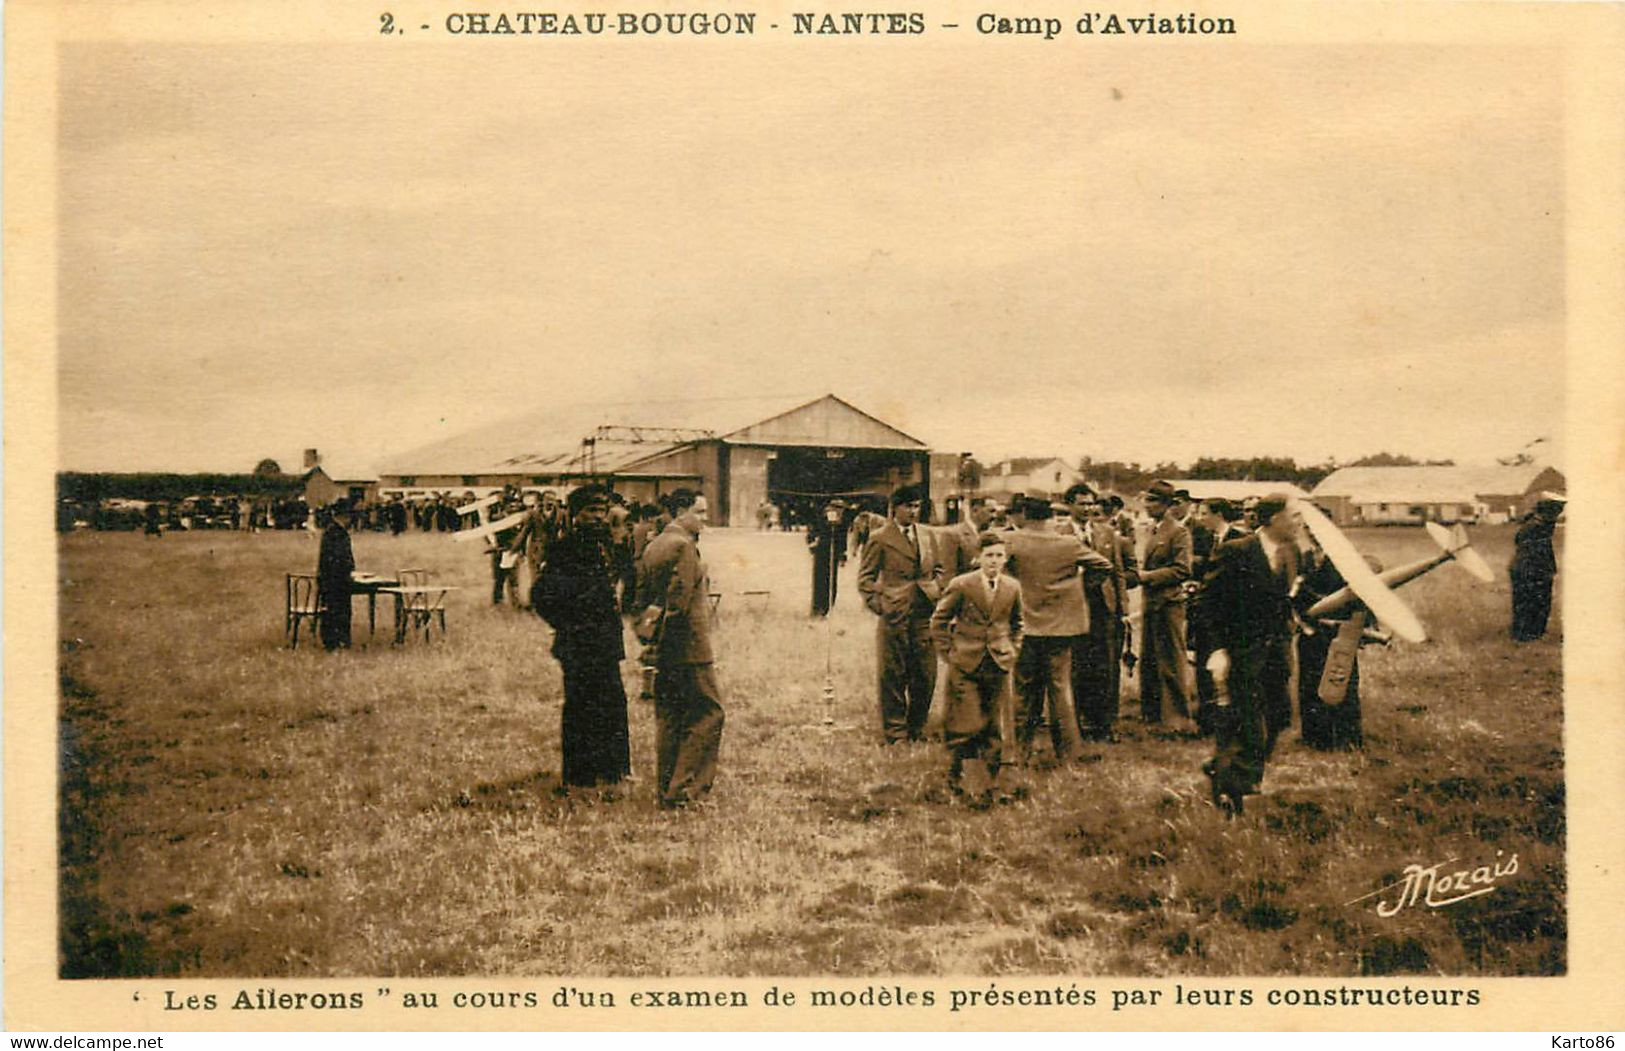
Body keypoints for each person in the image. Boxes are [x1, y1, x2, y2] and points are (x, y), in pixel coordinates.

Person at [1195, 493, 1301, 814]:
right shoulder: (1236, 551)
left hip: (1275, 654)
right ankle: (1234, 793)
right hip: (1241, 654)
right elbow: (1208, 603)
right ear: (1273, 519)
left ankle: (1223, 766)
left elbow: (1285, 599)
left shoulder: (1291, 553)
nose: (1300, 522)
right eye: (1294, 516)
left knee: (1279, 716)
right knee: (1246, 723)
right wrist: (1217, 651)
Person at [533, 484, 632, 790]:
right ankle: (580, 775)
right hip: (579, 644)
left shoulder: (605, 546)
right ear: (575, 515)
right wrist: (569, 625)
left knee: (613, 703)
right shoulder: (564, 549)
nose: (599, 518)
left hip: (604, 643)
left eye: (602, 511)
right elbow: (541, 595)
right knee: (580, 707)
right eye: (591, 512)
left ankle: (614, 770)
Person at [1003, 496, 1112, 764]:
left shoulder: (1012, 541)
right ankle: (1069, 753)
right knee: (1061, 690)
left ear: (1026, 514)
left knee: (1023, 691)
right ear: (1049, 515)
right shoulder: (1068, 543)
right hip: (1061, 627)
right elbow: (1103, 566)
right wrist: (1074, 588)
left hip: (1025, 625)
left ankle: (1018, 752)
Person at [635, 489, 725, 808]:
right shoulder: (684, 546)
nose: (704, 519)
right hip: (689, 646)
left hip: (663, 647)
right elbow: (679, 601)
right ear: (681, 512)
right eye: (699, 512)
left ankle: (666, 787)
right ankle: (687, 789)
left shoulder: (653, 545)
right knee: (709, 713)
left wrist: (651, 642)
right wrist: (670, 641)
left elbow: (641, 600)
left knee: (670, 716)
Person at [931, 532, 1023, 805]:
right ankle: (957, 776)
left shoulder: (1012, 587)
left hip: (998, 662)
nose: (994, 562)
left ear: (1005, 559)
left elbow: (1018, 624)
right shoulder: (962, 585)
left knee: (996, 724)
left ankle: (993, 784)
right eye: (989, 556)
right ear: (978, 558)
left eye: (999, 556)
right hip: (966, 662)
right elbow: (939, 621)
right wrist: (950, 653)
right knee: (967, 722)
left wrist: (1012, 649)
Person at [857, 484, 943, 743]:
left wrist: (936, 588)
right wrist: (882, 606)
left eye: (917, 506)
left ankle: (917, 727)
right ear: (895, 509)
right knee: (893, 674)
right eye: (908, 506)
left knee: (926, 674)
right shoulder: (880, 538)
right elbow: (866, 580)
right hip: (895, 614)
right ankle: (895, 731)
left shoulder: (928, 535)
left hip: (923, 613)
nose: (914, 511)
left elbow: (939, 569)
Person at [1064, 484, 1131, 742]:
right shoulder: (1061, 534)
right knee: (1077, 665)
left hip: (1104, 607)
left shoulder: (1107, 533)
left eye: (1090, 503)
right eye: (1081, 504)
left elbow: (1118, 573)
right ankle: (1076, 723)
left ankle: (1103, 723)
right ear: (1070, 506)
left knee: (1104, 666)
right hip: (1073, 607)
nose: (1088, 508)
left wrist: (1123, 607)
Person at [1130, 480, 1195, 729]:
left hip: (1169, 604)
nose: (1147, 505)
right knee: (1150, 660)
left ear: (1167, 505)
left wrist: (1147, 577)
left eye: (1153, 501)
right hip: (1152, 602)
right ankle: (1153, 712)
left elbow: (1182, 569)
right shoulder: (1153, 530)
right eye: (1146, 500)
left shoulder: (1178, 532)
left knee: (1171, 661)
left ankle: (1178, 717)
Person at [1188, 497, 1246, 734]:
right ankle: (1207, 721)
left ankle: (1229, 721)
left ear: (1218, 514)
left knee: (1227, 669)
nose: (1200, 519)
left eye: (1204, 513)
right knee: (1203, 666)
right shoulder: (1204, 540)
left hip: (1228, 617)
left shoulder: (1239, 540)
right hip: (1205, 614)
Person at [1510, 494, 1564, 641]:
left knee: (1527, 602)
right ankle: (1529, 634)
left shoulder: (1534, 525)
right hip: (1531, 570)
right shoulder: (1536, 528)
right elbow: (1538, 552)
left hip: (1526, 569)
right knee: (1533, 602)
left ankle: (1527, 632)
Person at [316, 500, 355, 651]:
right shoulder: (336, 532)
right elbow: (340, 557)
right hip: (335, 578)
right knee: (336, 610)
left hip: (333, 577)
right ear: (344, 516)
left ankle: (338, 640)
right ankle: (335, 641)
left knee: (337, 610)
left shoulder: (332, 530)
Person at [807, 499, 849, 616]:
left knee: (831, 580)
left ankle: (827, 607)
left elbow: (842, 537)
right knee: (821, 579)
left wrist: (842, 554)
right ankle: (819, 608)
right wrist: (812, 543)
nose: (840, 511)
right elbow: (812, 532)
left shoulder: (842, 520)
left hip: (833, 552)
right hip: (822, 551)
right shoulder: (822, 516)